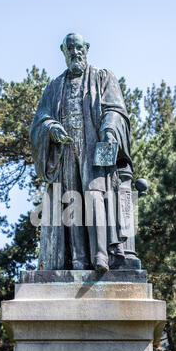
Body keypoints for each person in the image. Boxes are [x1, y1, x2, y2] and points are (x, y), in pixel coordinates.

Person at [30, 33, 133, 272]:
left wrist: (108, 131)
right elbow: (40, 120)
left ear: (86, 48)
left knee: (94, 195)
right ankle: (78, 260)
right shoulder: (55, 86)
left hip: (93, 145)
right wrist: (52, 129)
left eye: (79, 47)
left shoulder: (102, 77)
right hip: (66, 149)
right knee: (71, 199)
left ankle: (101, 256)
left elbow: (115, 110)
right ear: (63, 51)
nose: (75, 52)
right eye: (70, 48)